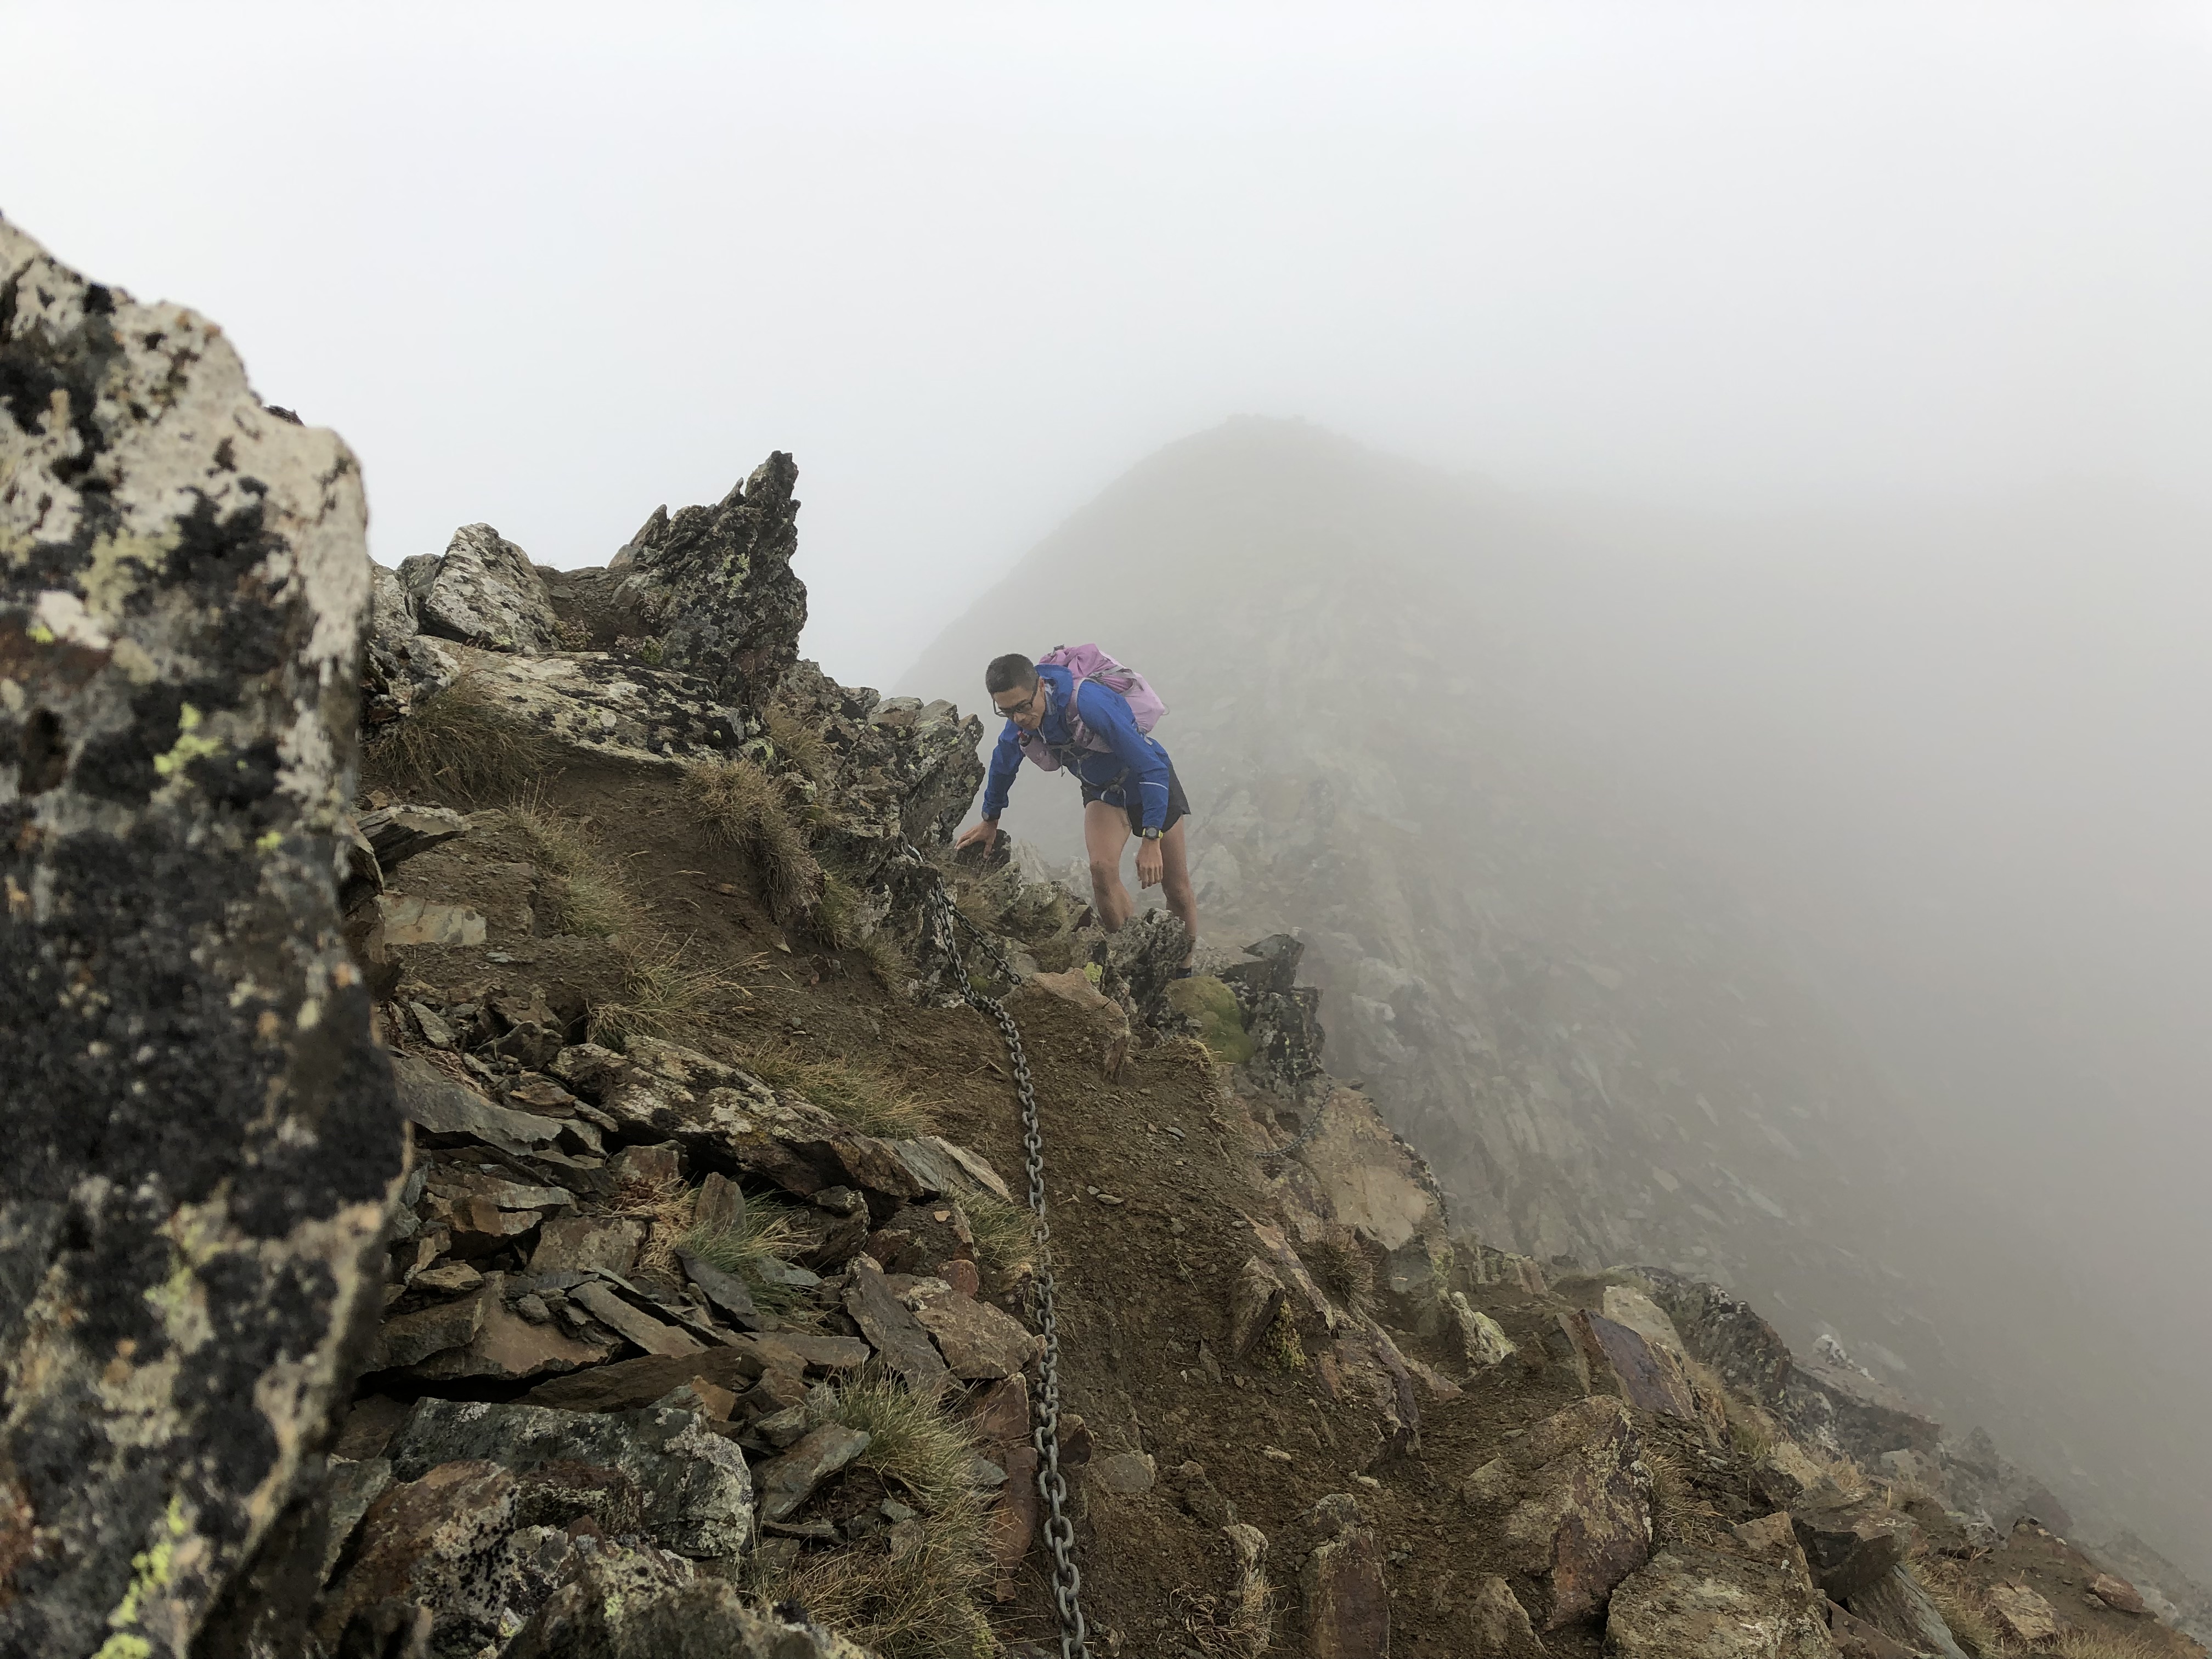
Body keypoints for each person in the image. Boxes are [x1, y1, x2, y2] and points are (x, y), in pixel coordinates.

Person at [954, 651, 1198, 965]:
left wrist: (1152, 839)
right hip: (1103, 793)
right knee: (1101, 870)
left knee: (1176, 888)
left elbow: (1151, 767)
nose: (1018, 718)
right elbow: (1003, 766)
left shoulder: (1089, 704)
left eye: (1023, 707)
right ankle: (1130, 963)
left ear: (1040, 686)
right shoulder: (1020, 723)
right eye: (1007, 711)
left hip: (1147, 782)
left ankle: (1183, 972)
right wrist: (990, 820)